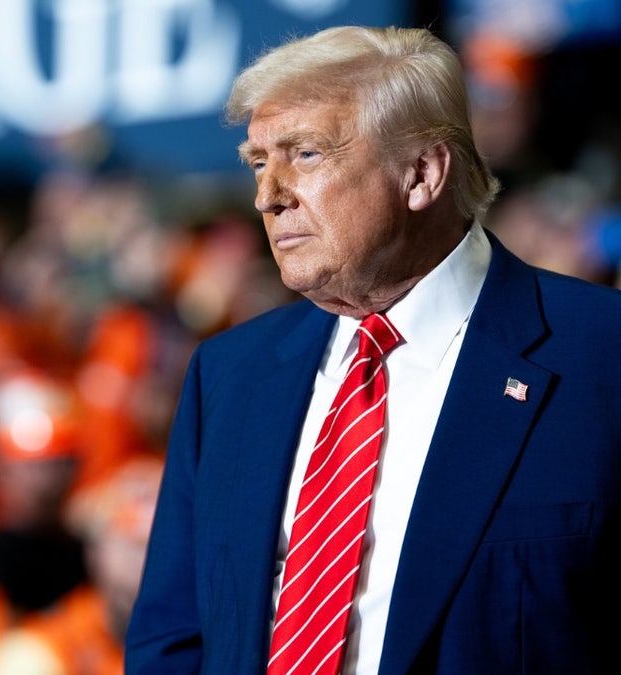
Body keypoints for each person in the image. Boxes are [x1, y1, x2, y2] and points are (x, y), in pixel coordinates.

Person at [125, 25, 621, 675]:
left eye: (304, 154)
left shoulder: (601, 353)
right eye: (257, 160)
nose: (266, 195)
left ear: (420, 174)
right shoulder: (228, 374)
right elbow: (173, 637)